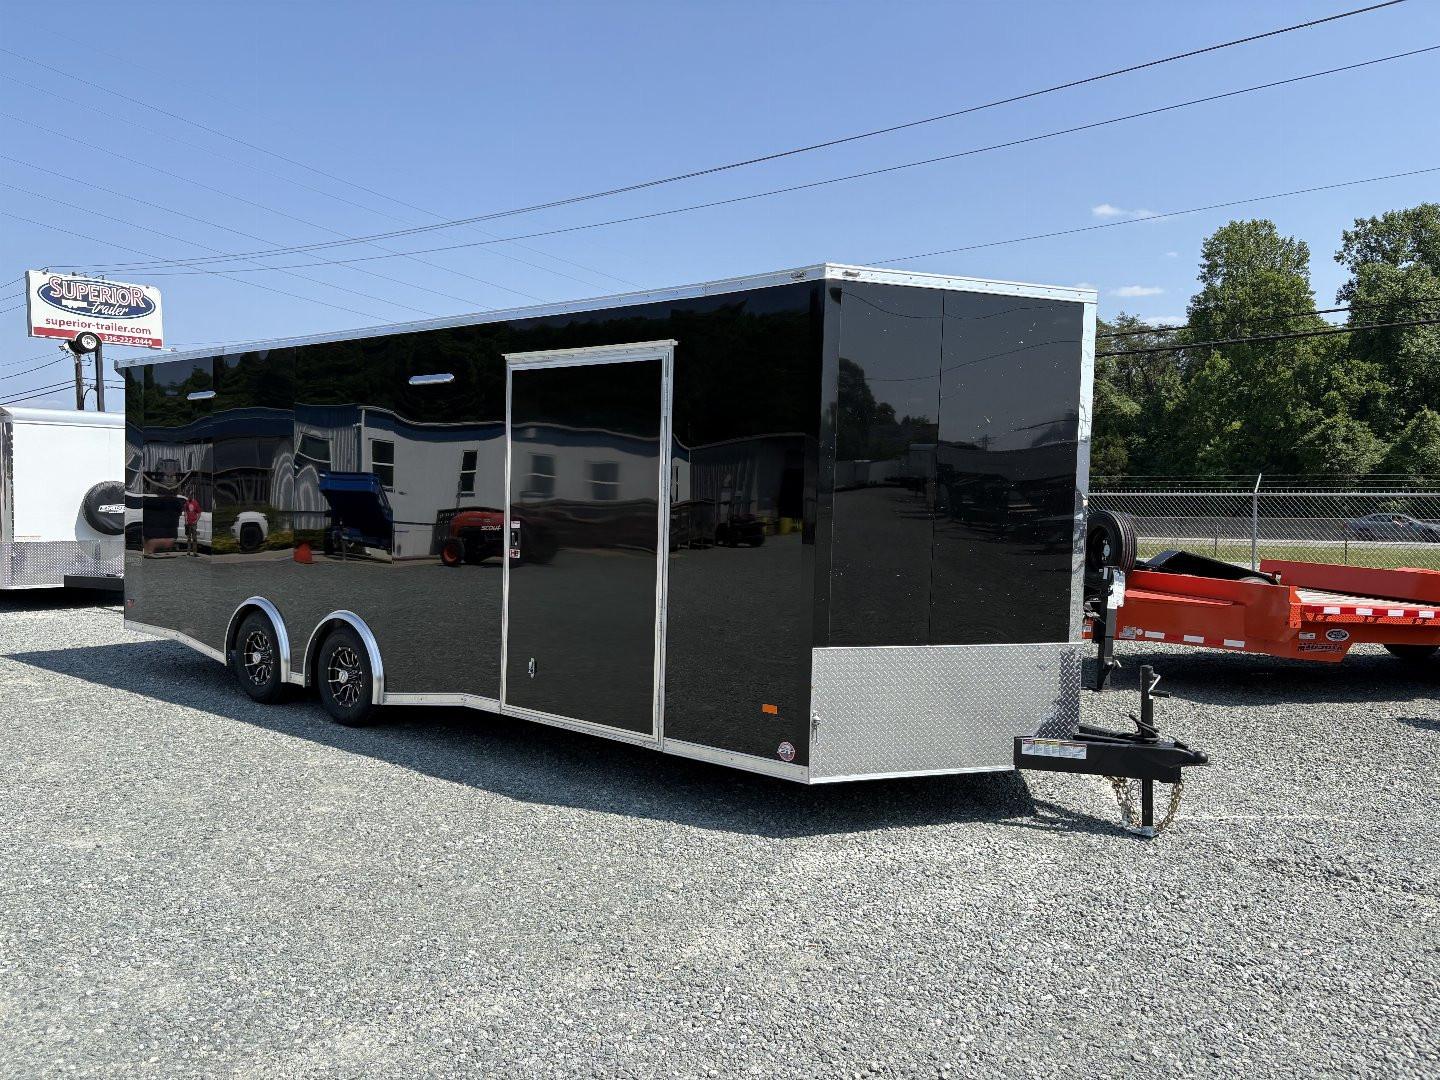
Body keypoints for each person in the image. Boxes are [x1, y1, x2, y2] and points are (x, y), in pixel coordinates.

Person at [183, 489, 201, 557]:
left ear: (192, 495)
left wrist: (196, 521)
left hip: (194, 524)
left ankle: (195, 552)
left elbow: (199, 513)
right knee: (188, 538)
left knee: (194, 538)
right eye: (189, 494)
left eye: (191, 494)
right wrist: (186, 520)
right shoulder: (187, 503)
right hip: (188, 523)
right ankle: (188, 552)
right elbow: (185, 512)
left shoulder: (196, 503)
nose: (190, 496)